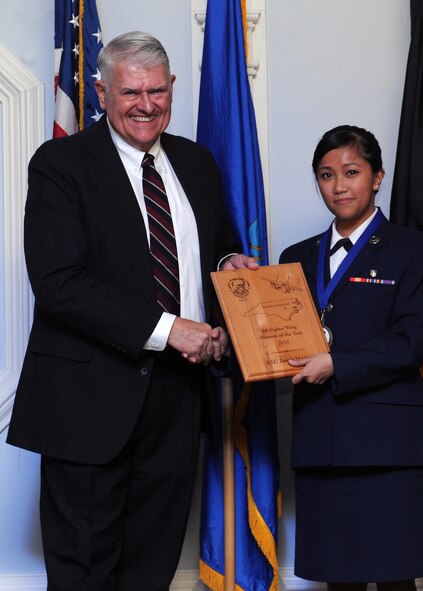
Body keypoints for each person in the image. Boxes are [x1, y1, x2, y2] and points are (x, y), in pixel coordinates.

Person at [6, 31, 257, 590]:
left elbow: (200, 253)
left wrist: (227, 263)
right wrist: (172, 330)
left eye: (158, 92)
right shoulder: (60, 163)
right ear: (100, 92)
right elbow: (58, 284)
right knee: (84, 573)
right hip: (89, 401)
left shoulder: (196, 163)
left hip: (177, 399)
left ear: (172, 88)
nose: (147, 105)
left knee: (153, 565)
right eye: (131, 93)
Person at [278, 125, 423, 591]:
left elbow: (414, 339)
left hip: (387, 447)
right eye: (326, 175)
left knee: (395, 582)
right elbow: (281, 341)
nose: (339, 186)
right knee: (338, 582)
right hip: (322, 443)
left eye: (351, 172)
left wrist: (338, 363)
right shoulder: (294, 258)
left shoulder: (415, 250)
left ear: (377, 177)